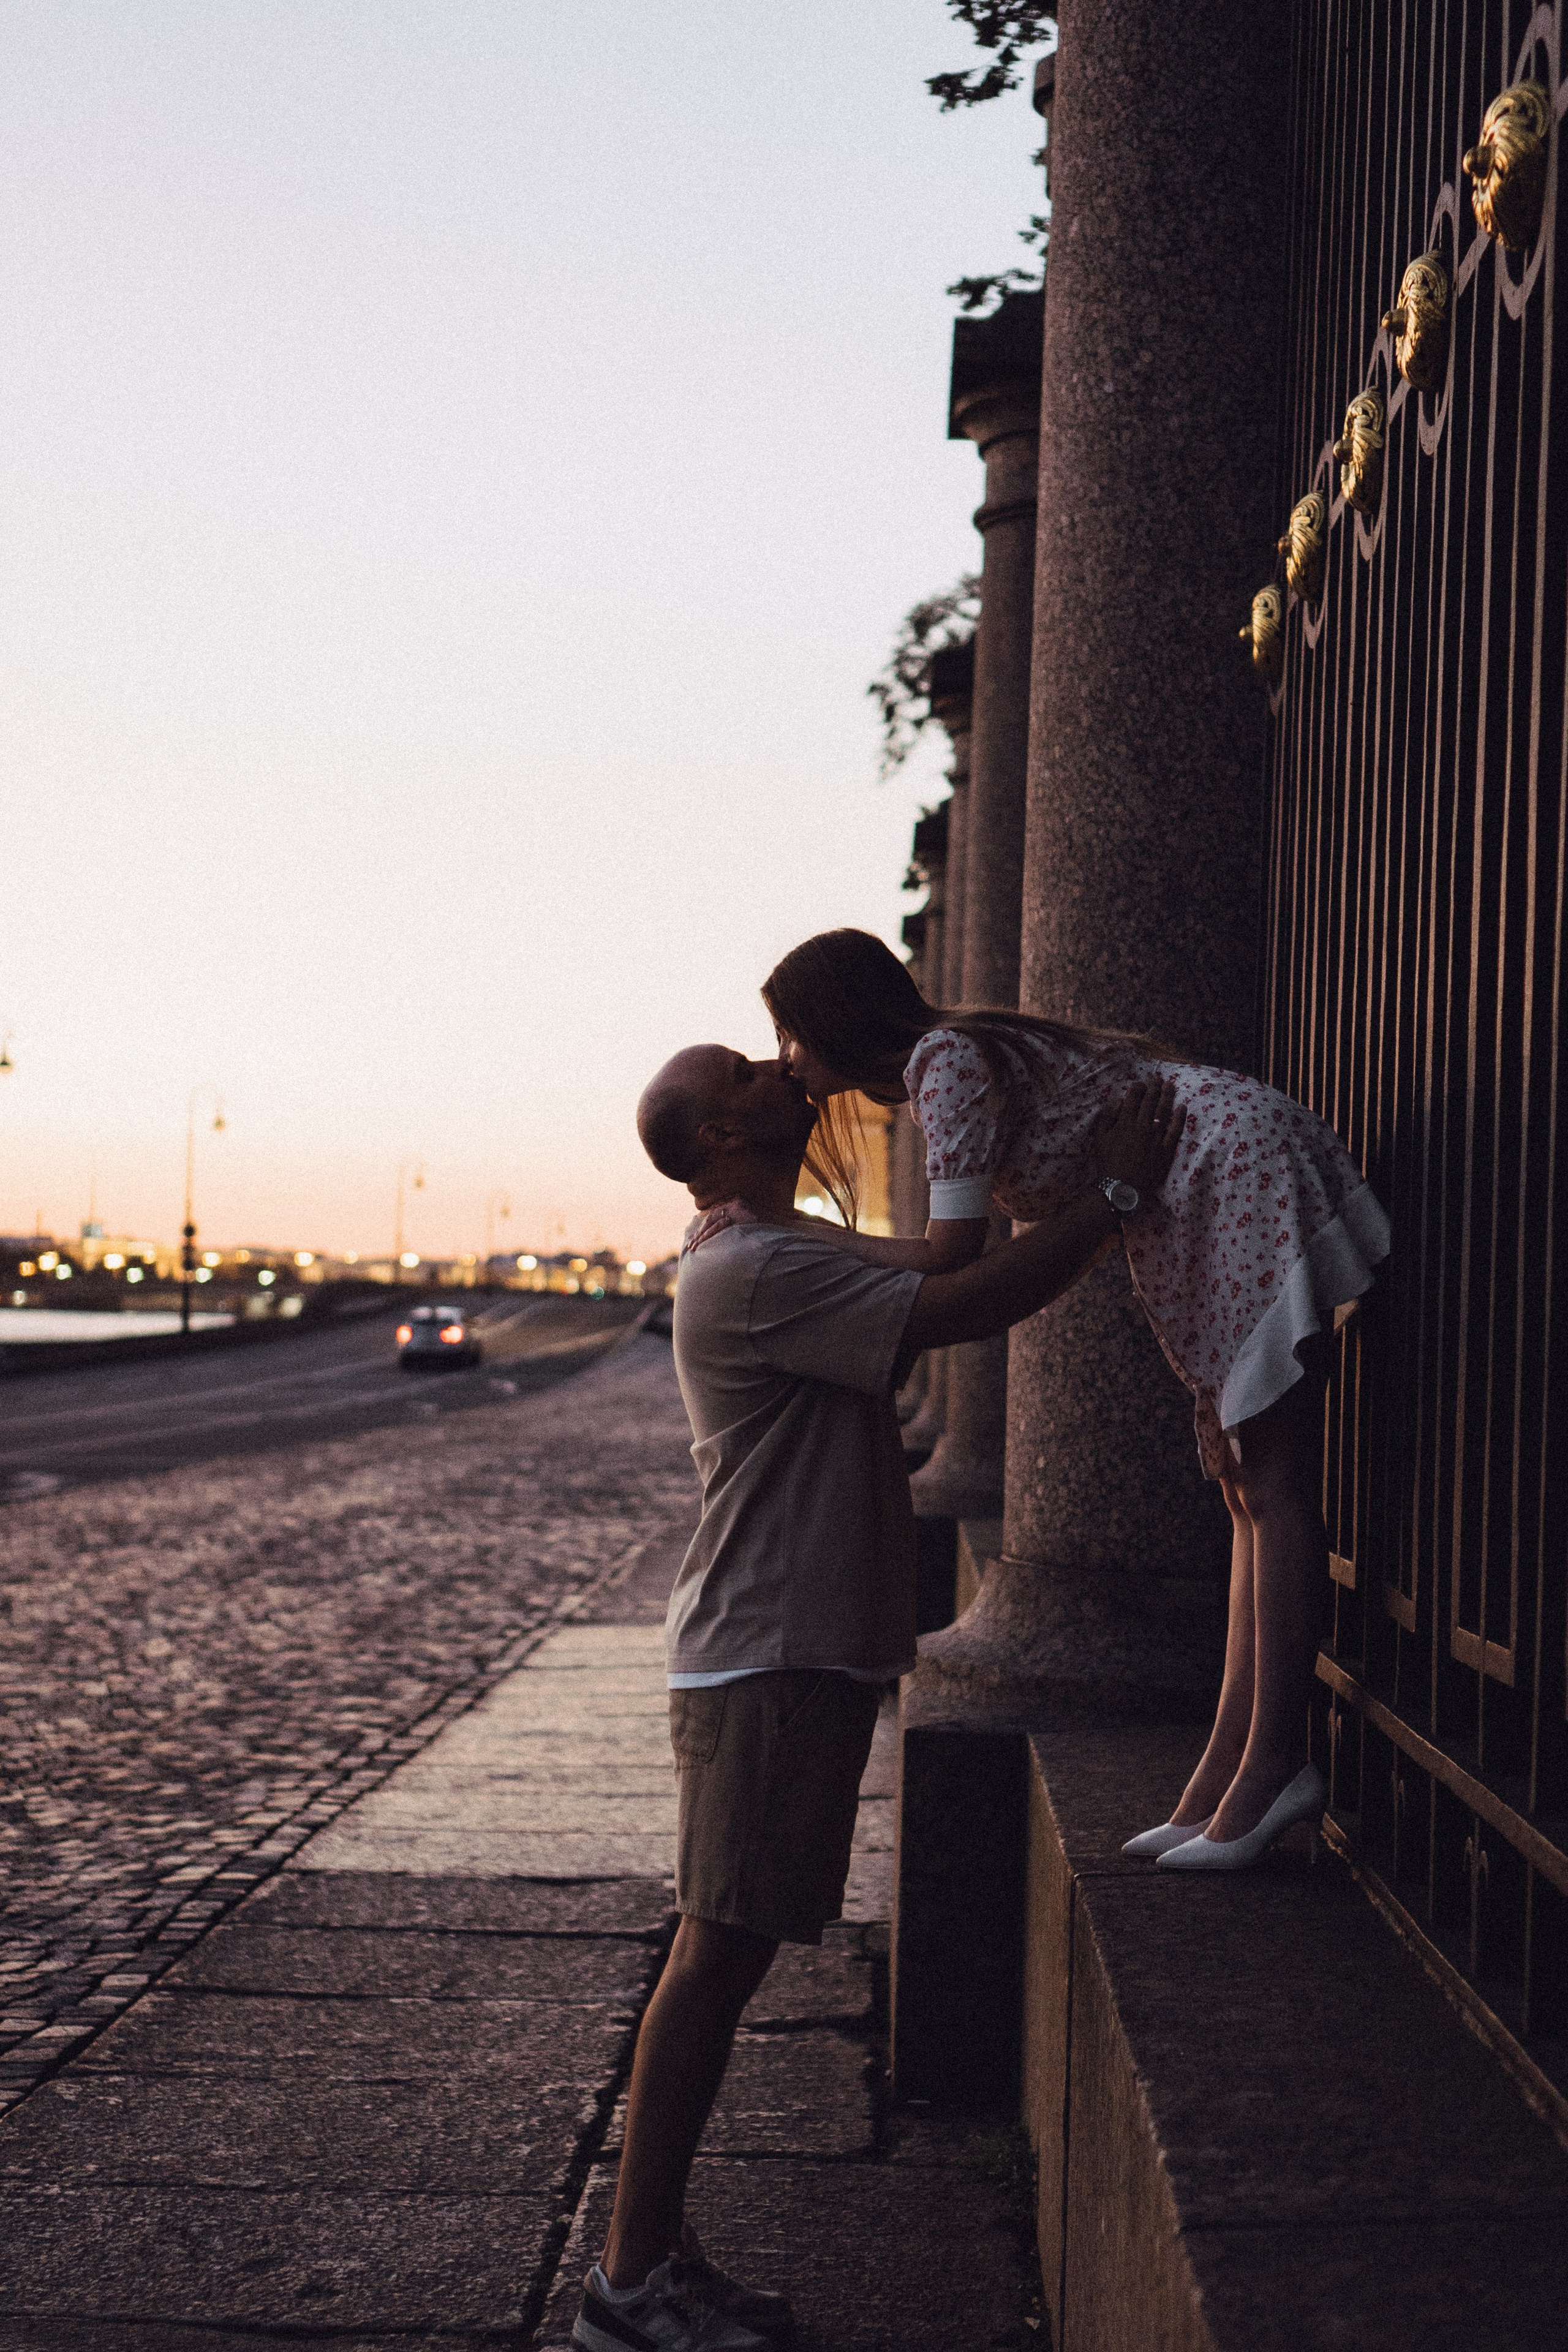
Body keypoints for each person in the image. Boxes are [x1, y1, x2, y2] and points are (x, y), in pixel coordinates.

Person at [567, 1043, 1182, 2352]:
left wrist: (1025, 1177)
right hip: (768, 1653)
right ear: (717, 1138)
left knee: (716, 1958)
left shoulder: (784, 1244)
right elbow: (971, 1306)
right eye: (744, 1070)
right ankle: (627, 2288)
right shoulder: (753, 1270)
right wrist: (1113, 1196)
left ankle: (653, 2258)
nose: (782, 1067)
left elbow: (946, 1262)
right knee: (712, 1959)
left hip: (792, 1649)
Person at [761, 927, 1392, 1871]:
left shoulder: (943, 1062)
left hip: (1227, 1170)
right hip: (1204, 1181)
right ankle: (1226, 1772)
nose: (785, 1059)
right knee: (1245, 1490)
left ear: (834, 1018)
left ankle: (1272, 1768)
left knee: (1273, 1486)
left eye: (790, 1034)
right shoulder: (948, 1062)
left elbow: (952, 1257)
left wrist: (794, 1240)